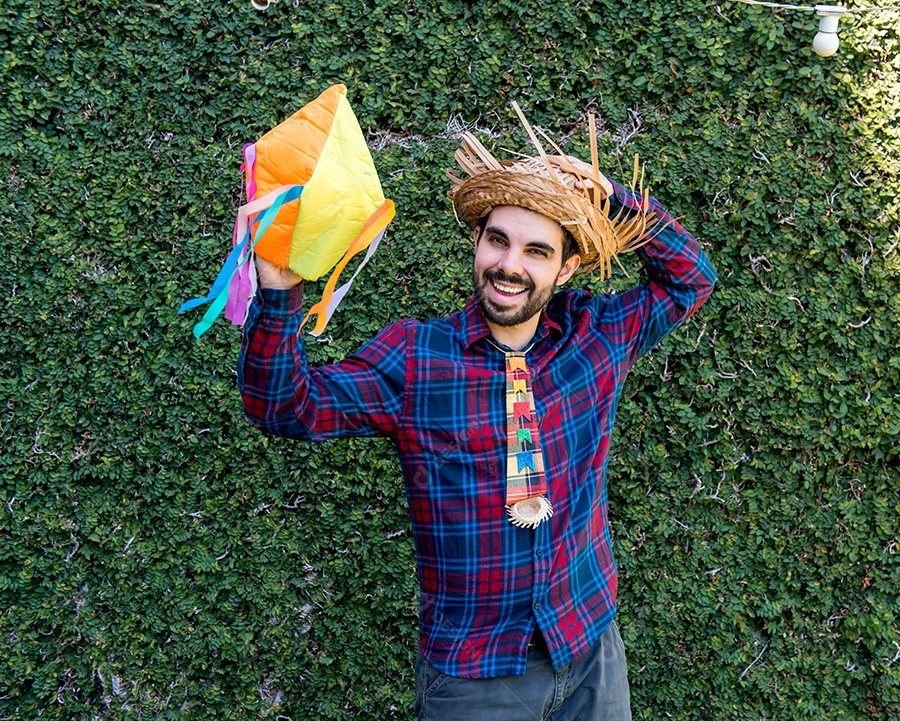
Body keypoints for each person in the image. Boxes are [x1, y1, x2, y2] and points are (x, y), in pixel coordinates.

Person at [238, 111, 716, 721]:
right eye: (498, 240)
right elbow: (284, 406)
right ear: (478, 242)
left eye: (537, 250)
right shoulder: (415, 358)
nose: (509, 265)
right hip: (474, 676)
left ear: (565, 268)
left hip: (590, 647)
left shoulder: (597, 336)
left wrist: (615, 200)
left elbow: (690, 280)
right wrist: (277, 291)